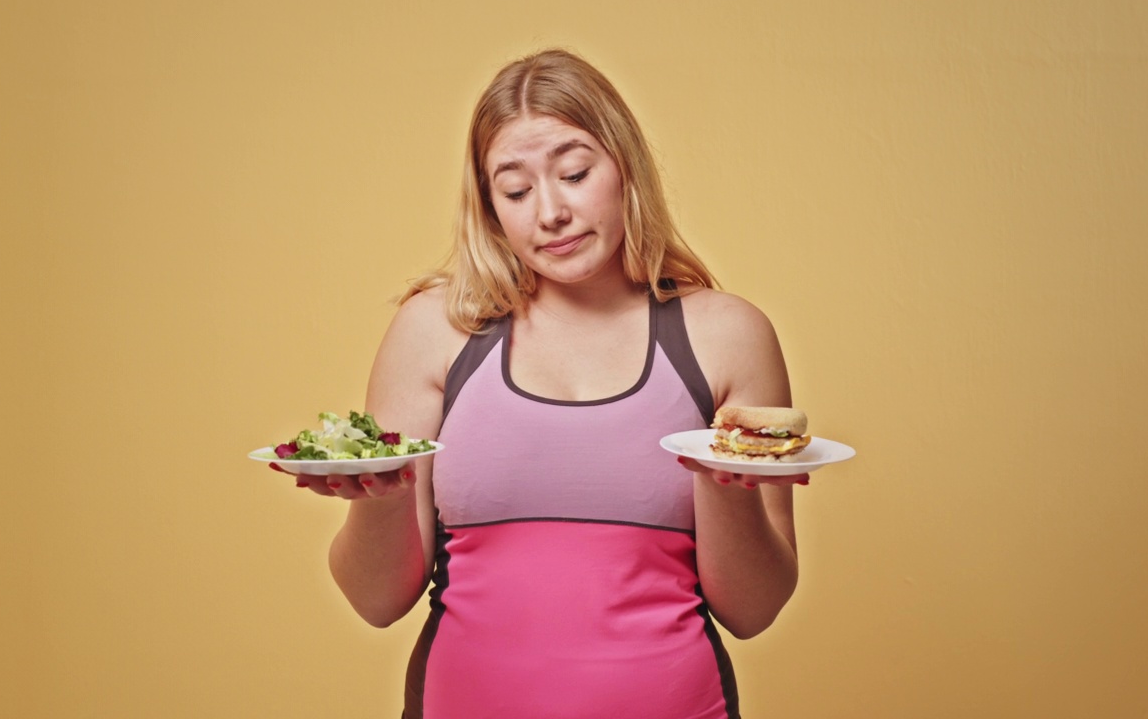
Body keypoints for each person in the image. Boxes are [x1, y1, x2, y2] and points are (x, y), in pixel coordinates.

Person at [285, 48, 809, 719]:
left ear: (626, 170)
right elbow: (375, 601)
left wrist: (725, 482)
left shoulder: (725, 334)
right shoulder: (435, 331)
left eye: (574, 173)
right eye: (515, 188)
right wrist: (380, 499)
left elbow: (754, 610)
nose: (551, 211)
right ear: (490, 206)